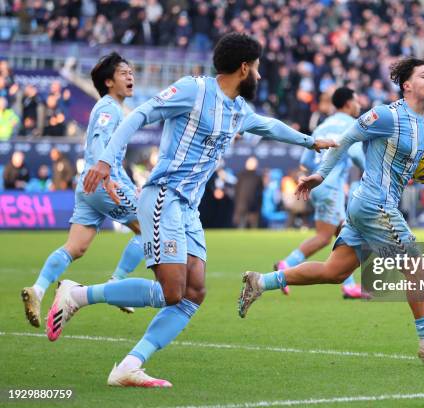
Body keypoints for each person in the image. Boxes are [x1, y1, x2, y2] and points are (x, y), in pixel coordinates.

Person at [46, 33, 335, 387]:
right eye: (257, 69)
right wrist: (106, 160)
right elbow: (139, 114)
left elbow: (268, 126)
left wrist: (310, 141)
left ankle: (129, 366)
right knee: (172, 292)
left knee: (193, 293)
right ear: (244, 68)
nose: (259, 76)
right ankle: (77, 295)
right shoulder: (193, 90)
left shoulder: (238, 109)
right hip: (163, 198)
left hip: (188, 210)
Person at [239, 58, 424, 363]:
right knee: (416, 266)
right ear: (407, 85)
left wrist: (423, 176)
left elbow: (398, 170)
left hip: (368, 204)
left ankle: (260, 281)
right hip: (375, 204)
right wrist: (320, 175)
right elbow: (346, 140)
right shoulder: (386, 115)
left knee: (335, 272)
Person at [21, 53, 144, 328]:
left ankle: (38, 290)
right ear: (109, 82)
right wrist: (109, 178)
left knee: (75, 248)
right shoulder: (109, 108)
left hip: (88, 185)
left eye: (131, 72)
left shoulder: (110, 107)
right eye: (124, 73)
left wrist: (124, 180)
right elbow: (101, 144)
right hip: (100, 182)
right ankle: (117, 284)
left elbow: (110, 153)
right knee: (149, 228)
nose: (131, 77)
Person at [274, 87, 366, 298]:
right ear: (348, 104)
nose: (359, 105)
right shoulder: (350, 125)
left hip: (316, 183)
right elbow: (358, 156)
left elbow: (305, 161)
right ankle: (286, 265)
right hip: (330, 186)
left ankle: (349, 285)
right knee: (325, 237)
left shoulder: (322, 126)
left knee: (343, 233)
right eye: (356, 101)